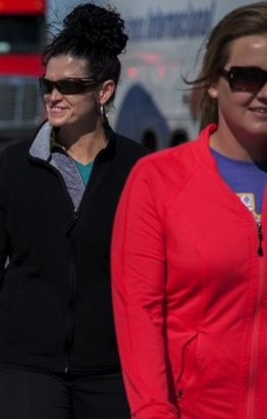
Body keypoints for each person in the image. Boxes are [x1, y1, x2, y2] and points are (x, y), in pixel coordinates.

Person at [0, 4, 148, 418]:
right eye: (47, 84)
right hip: (26, 369)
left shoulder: (141, 170)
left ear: (104, 91)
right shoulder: (12, 166)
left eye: (70, 86)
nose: (54, 96)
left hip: (114, 373)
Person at [111, 3, 267, 417]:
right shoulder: (157, 180)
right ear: (214, 83)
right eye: (248, 77)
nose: (264, 92)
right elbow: (138, 317)